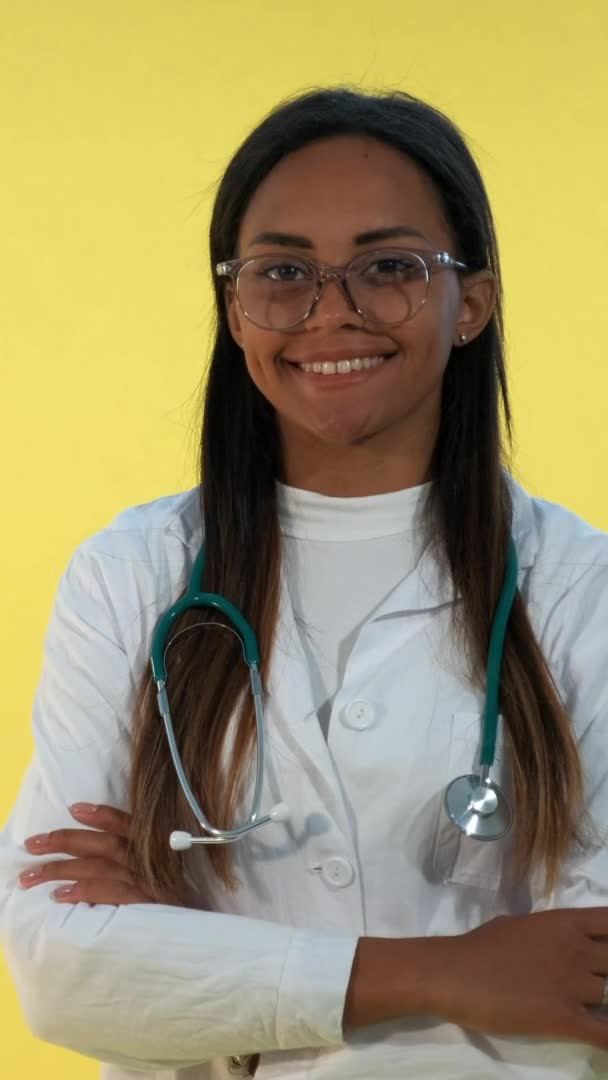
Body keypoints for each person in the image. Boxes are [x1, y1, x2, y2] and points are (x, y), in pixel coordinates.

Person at [1, 85, 608, 1080]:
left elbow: (581, 986)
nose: (332, 311)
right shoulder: (129, 575)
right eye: (283, 272)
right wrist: (447, 974)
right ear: (236, 310)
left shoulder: (580, 590)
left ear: (473, 304)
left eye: (388, 267)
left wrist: (201, 974)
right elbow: (62, 971)